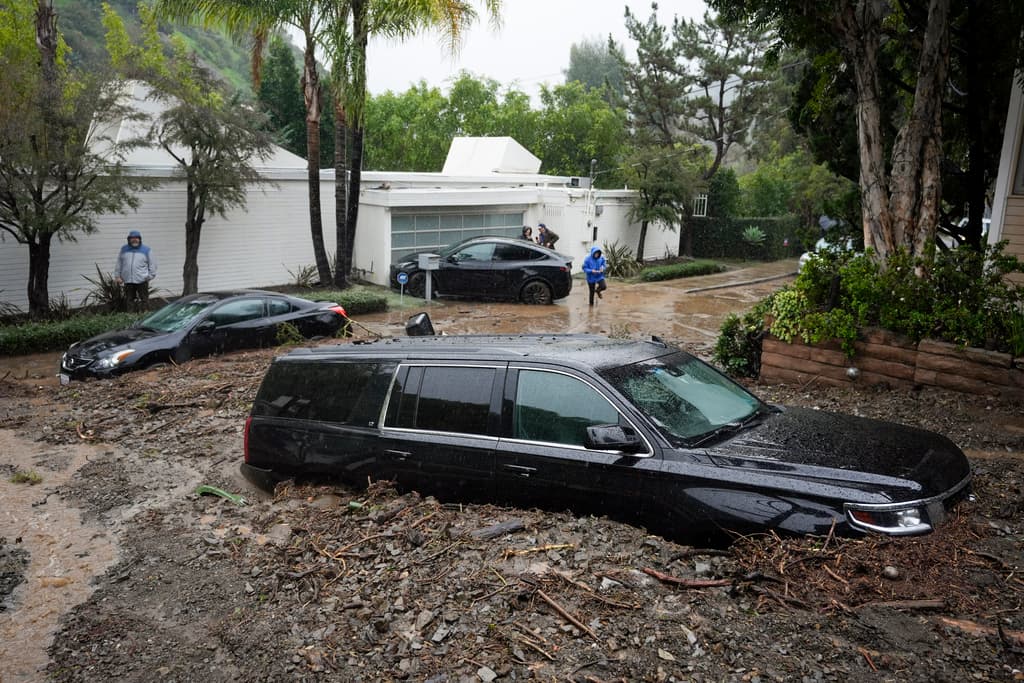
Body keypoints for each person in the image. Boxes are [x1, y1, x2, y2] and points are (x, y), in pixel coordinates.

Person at [115, 230, 156, 310]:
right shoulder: (124, 249)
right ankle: (131, 317)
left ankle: (145, 315)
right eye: (132, 238)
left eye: (136, 238)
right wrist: (117, 276)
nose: (134, 239)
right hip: (128, 280)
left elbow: (152, 264)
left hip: (142, 280)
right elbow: (119, 263)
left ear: (140, 239)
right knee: (129, 300)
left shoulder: (146, 250)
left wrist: (150, 276)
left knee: (144, 299)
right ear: (129, 239)